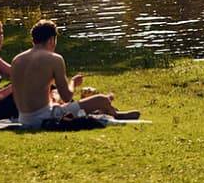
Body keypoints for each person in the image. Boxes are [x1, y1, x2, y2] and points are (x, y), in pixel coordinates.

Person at [10, 20, 138, 129]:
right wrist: (73, 83)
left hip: (24, 118)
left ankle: (112, 111)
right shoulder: (54, 59)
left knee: (55, 95)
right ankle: (112, 111)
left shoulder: (17, 59)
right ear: (51, 40)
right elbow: (67, 96)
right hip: (44, 118)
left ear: (34, 40)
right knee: (101, 99)